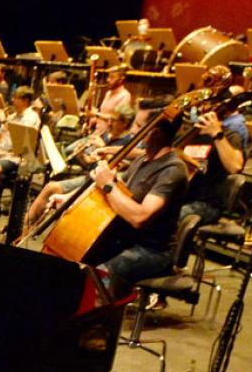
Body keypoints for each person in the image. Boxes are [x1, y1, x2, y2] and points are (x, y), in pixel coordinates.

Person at [45, 116, 188, 283]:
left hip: (151, 250)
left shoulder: (172, 170)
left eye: (138, 125)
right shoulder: (142, 159)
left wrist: (107, 185)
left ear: (153, 132)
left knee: (98, 278)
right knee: (71, 264)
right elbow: (116, 189)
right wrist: (68, 199)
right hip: (121, 237)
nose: (133, 131)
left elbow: (139, 217)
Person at [180, 94, 248, 227]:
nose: (203, 108)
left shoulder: (229, 136)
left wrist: (217, 133)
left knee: (174, 216)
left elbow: (235, 167)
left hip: (206, 202)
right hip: (181, 195)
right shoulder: (189, 133)